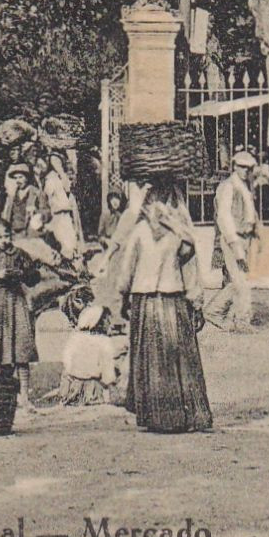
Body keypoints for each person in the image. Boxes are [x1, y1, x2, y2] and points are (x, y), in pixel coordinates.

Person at [109, 182, 212, 433]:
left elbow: (127, 269)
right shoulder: (178, 234)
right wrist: (195, 301)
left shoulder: (140, 231)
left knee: (151, 357)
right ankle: (180, 413)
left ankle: (156, 414)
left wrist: (123, 297)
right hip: (171, 300)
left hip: (146, 302)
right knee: (177, 356)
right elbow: (190, 268)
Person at [0, 223, 41, 409]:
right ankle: (7, 398)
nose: (4, 241)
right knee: (3, 351)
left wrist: (22, 274)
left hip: (17, 301)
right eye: (0, 237)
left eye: (7, 236)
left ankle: (25, 398)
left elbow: (35, 276)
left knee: (22, 348)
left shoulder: (19, 254)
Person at [204, 149, 260, 333]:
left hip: (245, 238)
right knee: (240, 281)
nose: (245, 171)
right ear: (234, 167)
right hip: (233, 239)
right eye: (242, 167)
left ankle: (217, 311)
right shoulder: (228, 187)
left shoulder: (245, 186)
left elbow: (250, 213)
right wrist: (235, 245)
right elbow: (224, 218)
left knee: (238, 280)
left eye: (248, 167)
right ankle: (238, 319)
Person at [45, 303, 124, 406]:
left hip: (72, 387)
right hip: (92, 389)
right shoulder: (104, 341)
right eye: (107, 320)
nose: (110, 324)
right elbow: (107, 372)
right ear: (98, 322)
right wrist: (113, 389)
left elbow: (67, 364)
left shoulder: (75, 338)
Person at [42, 154, 81, 258]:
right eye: (54, 163)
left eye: (58, 162)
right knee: (61, 238)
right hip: (57, 213)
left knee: (70, 237)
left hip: (66, 212)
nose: (57, 165)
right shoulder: (51, 178)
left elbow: (68, 190)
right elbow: (47, 195)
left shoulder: (63, 176)